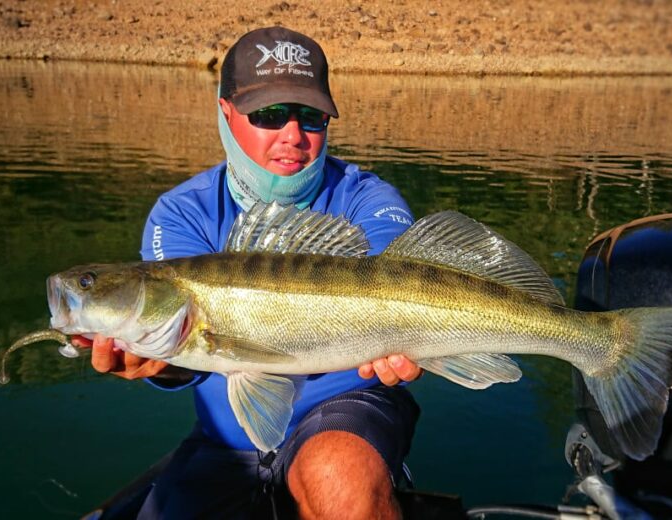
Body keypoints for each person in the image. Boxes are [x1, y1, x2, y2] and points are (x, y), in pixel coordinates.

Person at [74, 26, 422, 519]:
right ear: (226, 112)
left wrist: (419, 342)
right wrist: (156, 361)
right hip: (226, 436)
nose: (293, 135)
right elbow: (180, 344)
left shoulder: (367, 198)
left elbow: (408, 284)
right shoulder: (180, 214)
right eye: (270, 114)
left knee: (342, 481)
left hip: (350, 405)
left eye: (312, 116)